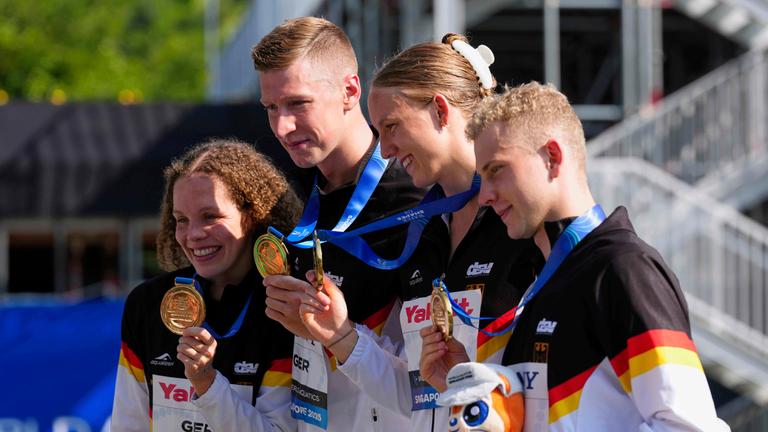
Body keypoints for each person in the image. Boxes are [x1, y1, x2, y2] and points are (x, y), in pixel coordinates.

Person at [420, 82, 730, 431]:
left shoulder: (623, 268)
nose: (486, 195)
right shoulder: (543, 284)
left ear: (552, 157)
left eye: (497, 170)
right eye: (481, 177)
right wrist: (462, 384)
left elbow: (688, 427)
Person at [297, 34, 541, 432]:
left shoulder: (522, 219)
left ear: (441, 111)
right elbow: (420, 397)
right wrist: (340, 335)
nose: (386, 149)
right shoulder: (422, 232)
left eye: (392, 126)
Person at [251, 17, 424, 431]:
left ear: (350, 91)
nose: (281, 127)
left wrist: (337, 334)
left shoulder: (415, 199)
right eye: (271, 108)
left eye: (297, 103)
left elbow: (425, 386)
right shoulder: (287, 201)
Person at [111, 139, 302, 432]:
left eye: (210, 216)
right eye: (181, 220)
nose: (193, 234)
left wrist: (207, 385)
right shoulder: (147, 304)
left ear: (252, 215)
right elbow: (129, 424)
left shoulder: (284, 306)